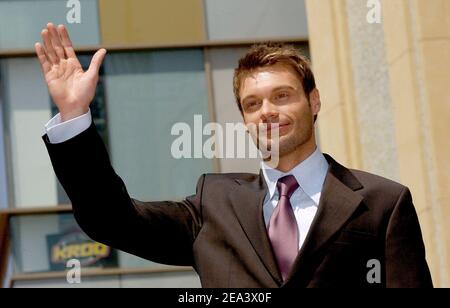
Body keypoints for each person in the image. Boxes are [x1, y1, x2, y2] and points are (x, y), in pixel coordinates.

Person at [36, 23, 433, 288]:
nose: (268, 111)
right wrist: (75, 118)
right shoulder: (214, 205)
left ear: (313, 101)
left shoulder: (383, 203)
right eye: (253, 103)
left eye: (282, 96)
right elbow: (112, 220)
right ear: (244, 119)